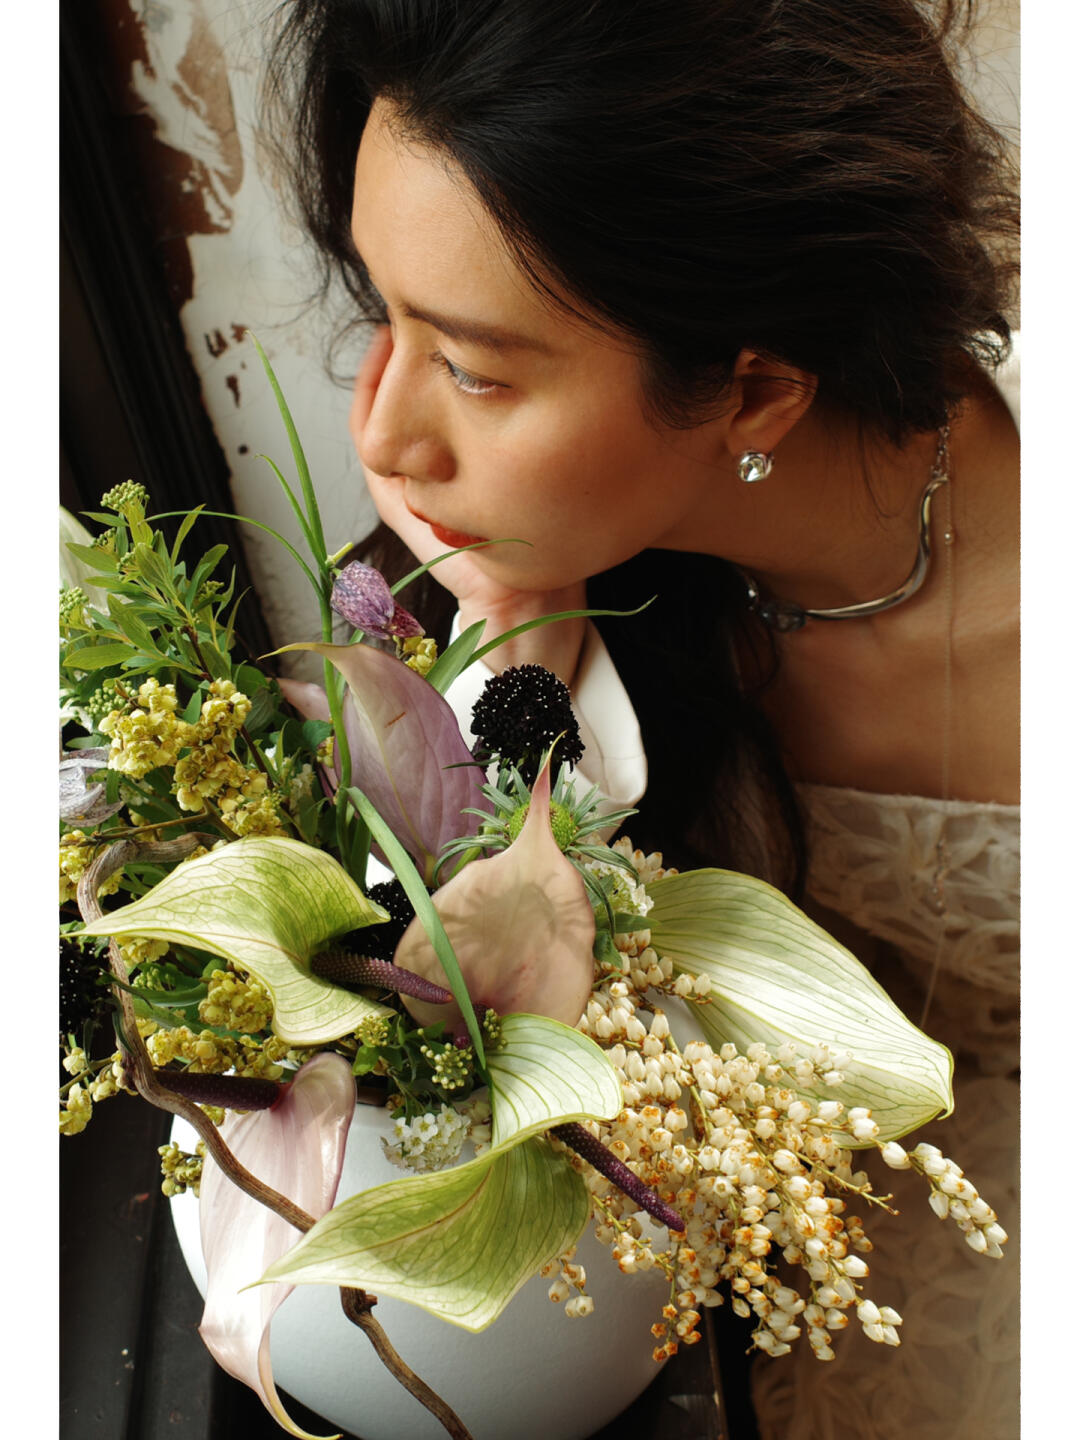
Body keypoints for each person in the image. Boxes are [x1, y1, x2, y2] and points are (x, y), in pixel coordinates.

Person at [266, 2, 1019, 1435]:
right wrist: (513, 663)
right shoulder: (593, 603)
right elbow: (450, 1055)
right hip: (781, 1227)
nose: (384, 436)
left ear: (756, 388)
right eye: (385, 319)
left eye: (474, 368)